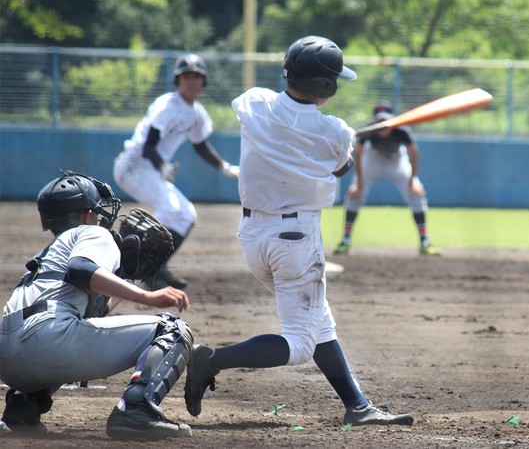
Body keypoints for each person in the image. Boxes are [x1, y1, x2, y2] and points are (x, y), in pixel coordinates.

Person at [183, 35, 413, 427]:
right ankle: (212, 359)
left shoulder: (254, 102)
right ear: (327, 87)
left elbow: (294, 128)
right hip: (296, 241)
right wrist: (353, 140)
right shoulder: (336, 132)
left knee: (318, 322)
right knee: (301, 343)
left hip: (253, 237)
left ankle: (357, 405)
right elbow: (341, 165)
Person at [0, 171, 194, 439]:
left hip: (9, 360)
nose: (101, 216)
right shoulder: (91, 232)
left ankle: (24, 406)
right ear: (84, 215)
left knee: (71, 325)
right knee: (172, 328)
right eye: (96, 210)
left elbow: (94, 312)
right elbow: (80, 269)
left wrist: (127, 281)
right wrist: (147, 297)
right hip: (46, 340)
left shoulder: (48, 254)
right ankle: (135, 411)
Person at [113, 53, 239, 290]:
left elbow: (200, 145)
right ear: (177, 80)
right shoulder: (166, 106)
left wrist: (224, 167)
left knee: (187, 215)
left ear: (203, 82)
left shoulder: (197, 113)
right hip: (133, 166)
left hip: (152, 169)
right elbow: (149, 145)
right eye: (186, 76)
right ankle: (125, 259)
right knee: (170, 208)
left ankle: (155, 271)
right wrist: (163, 166)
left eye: (196, 76)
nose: (191, 80)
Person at [333, 102, 441, 256]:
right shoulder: (367, 131)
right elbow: (358, 155)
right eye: (379, 121)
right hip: (372, 162)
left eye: (385, 121)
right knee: (354, 197)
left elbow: (414, 154)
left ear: (393, 120)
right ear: (374, 121)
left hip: (397, 162)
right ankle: (345, 242)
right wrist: (359, 185)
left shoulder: (402, 130)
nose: (382, 124)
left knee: (417, 195)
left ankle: (425, 243)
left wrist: (412, 182)